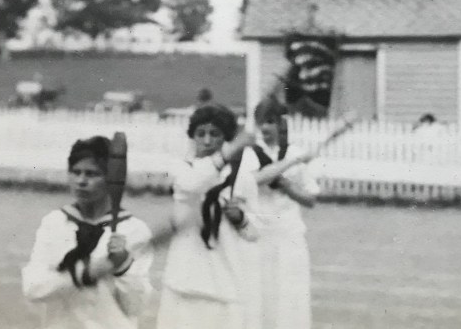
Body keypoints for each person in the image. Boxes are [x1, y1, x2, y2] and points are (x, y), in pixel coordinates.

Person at [22, 135, 154, 329]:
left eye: (92, 174)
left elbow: (135, 306)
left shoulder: (133, 230)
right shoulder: (55, 223)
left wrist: (123, 266)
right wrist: (82, 274)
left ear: (111, 178)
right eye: (76, 172)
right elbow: (33, 289)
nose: (81, 181)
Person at [156, 103, 262, 329]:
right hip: (183, 280)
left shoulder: (241, 178)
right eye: (200, 134)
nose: (206, 141)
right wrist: (231, 151)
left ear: (226, 138)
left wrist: (240, 219)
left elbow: (254, 233)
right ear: (192, 137)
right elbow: (194, 184)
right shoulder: (182, 168)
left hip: (224, 282)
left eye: (215, 134)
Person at [248, 98, 319, 329]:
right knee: (259, 299)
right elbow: (254, 180)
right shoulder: (250, 154)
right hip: (257, 238)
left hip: (289, 237)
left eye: (270, 122)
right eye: (261, 123)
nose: (265, 128)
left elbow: (310, 199)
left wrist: (287, 187)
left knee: (290, 300)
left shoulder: (294, 152)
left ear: (280, 124)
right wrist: (288, 164)